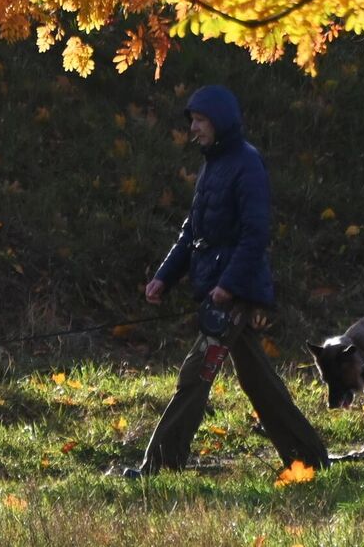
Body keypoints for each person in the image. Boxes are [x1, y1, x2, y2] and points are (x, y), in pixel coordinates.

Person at [121, 84, 330, 476]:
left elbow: (255, 235)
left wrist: (229, 286)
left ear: (220, 122)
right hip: (218, 290)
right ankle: (310, 460)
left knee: (195, 374)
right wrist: (163, 278)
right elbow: (192, 232)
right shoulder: (212, 165)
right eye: (193, 121)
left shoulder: (247, 164)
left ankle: (160, 467)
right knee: (260, 382)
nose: (194, 129)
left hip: (233, 295)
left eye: (200, 121)